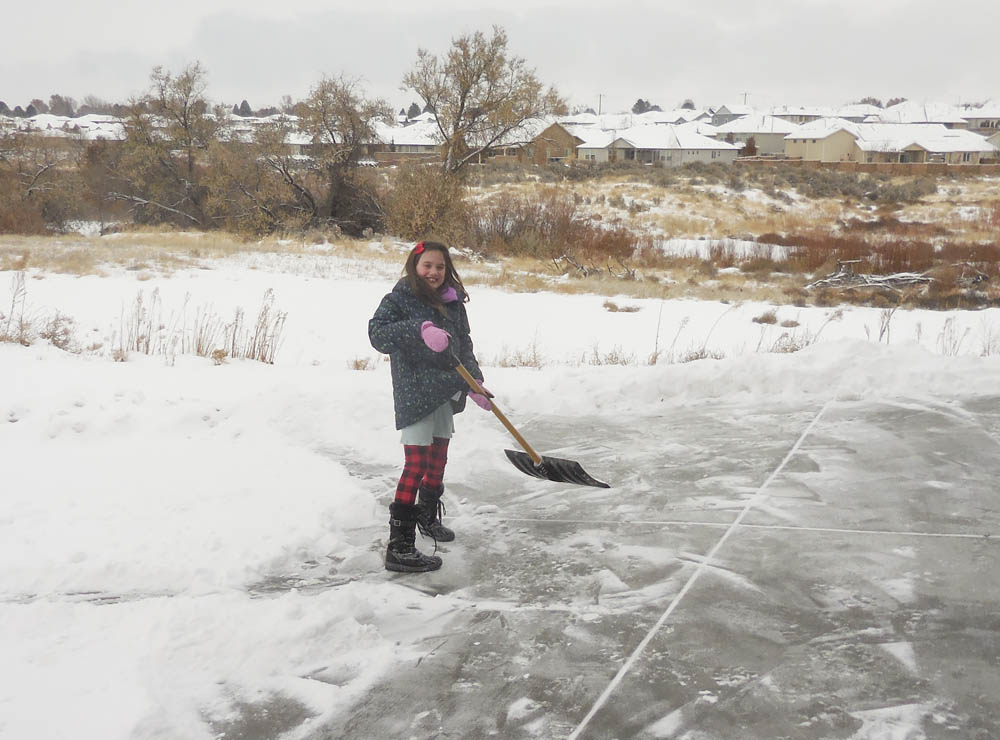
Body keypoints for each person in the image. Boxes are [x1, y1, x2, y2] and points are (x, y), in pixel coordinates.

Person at [368, 241, 491, 573]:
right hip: (415, 391)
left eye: (440, 267)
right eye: (427, 266)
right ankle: (400, 546)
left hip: (445, 391)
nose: (434, 272)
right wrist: (419, 329)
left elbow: (463, 346)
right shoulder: (400, 298)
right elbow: (377, 334)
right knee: (417, 464)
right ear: (414, 266)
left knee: (438, 460)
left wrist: (475, 383)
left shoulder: (452, 303)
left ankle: (426, 516)